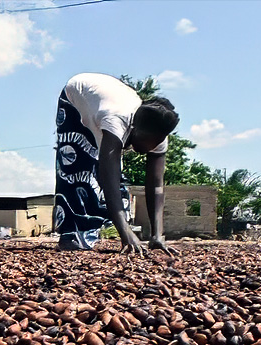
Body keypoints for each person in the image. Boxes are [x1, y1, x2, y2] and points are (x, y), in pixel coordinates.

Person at [53, 73, 180, 255]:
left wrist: (157, 235)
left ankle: (97, 228)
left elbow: (156, 186)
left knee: (116, 182)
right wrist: (125, 233)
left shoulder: (158, 134)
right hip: (76, 97)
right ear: (133, 129)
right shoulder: (116, 120)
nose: (150, 148)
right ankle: (72, 234)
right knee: (75, 168)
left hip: (107, 100)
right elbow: (108, 177)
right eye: (146, 142)